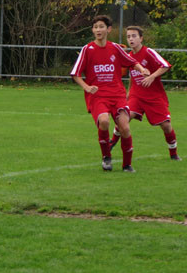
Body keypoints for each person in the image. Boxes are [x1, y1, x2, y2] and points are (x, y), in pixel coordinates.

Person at [70, 15, 150, 172]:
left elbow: (132, 62)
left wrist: (142, 69)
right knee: (104, 121)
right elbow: (75, 73)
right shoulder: (88, 49)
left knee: (125, 128)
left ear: (108, 29)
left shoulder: (115, 48)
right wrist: (86, 87)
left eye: (101, 27)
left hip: (117, 95)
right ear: (93, 30)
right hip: (98, 95)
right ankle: (106, 157)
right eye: (95, 27)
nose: (98, 30)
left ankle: (127, 164)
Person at [108, 26, 180, 161]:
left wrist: (152, 77)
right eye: (128, 36)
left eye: (134, 36)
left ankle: (173, 153)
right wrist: (129, 91)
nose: (131, 39)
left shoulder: (149, 52)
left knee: (166, 126)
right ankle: (112, 142)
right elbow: (132, 74)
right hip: (137, 95)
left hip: (154, 96)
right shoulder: (129, 56)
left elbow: (165, 65)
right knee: (124, 117)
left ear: (141, 38)